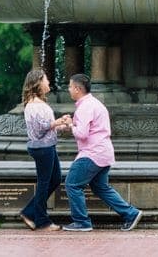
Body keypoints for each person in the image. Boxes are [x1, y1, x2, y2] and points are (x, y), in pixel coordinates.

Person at [61, 74, 144, 232]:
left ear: (78, 89)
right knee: (101, 187)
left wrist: (71, 125)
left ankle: (81, 222)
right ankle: (131, 214)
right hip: (103, 153)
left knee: (72, 184)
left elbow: (82, 134)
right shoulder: (93, 103)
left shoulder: (85, 107)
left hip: (91, 153)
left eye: (70, 87)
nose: (69, 90)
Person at [19, 69, 72, 232]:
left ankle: (29, 212)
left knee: (55, 179)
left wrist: (66, 125)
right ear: (38, 83)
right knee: (44, 183)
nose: (49, 82)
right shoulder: (34, 105)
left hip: (47, 146)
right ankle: (42, 220)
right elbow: (41, 128)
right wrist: (57, 122)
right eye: (46, 79)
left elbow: (48, 128)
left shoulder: (39, 103)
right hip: (42, 149)